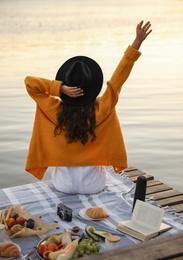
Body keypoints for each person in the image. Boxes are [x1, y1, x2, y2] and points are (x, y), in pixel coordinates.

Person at [25, 20, 152, 194]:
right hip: (94, 185)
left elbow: (30, 83)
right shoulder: (102, 108)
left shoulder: (53, 109)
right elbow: (116, 82)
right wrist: (136, 43)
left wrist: (58, 88)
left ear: (67, 85)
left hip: (63, 185)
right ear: (92, 87)